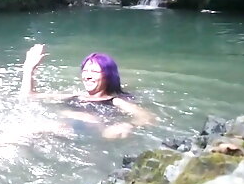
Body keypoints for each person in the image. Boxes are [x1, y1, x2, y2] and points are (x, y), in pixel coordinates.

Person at [20, 44, 155, 138]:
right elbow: (30, 96)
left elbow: (148, 117)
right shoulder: (75, 96)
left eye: (95, 71)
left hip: (82, 133)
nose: (88, 76)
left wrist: (127, 125)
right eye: (85, 71)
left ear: (108, 76)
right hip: (60, 130)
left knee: (22, 132)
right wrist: (29, 69)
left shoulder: (115, 101)